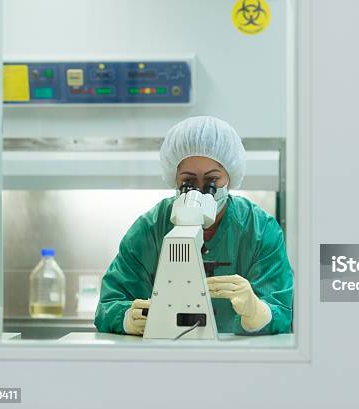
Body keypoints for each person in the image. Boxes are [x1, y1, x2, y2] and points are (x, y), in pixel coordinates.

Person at [94, 116, 294, 336]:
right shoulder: (150, 228)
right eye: (188, 181)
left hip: (238, 361)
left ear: (230, 176)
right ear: (175, 178)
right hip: (167, 356)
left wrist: (257, 312)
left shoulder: (260, 230)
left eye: (212, 181)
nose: (199, 191)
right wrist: (127, 318)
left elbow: (282, 312)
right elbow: (107, 305)